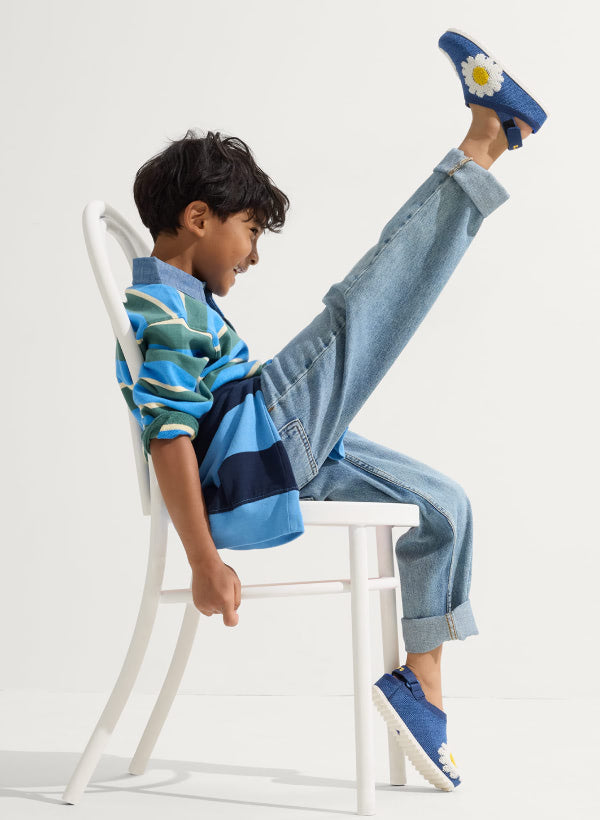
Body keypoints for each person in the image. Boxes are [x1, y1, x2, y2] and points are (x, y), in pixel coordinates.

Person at [116, 28, 547, 791]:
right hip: (265, 438)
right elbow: (168, 435)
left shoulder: (183, 302)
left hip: (268, 450)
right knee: (370, 299)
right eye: (250, 232)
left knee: (443, 506)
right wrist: (202, 560)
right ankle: (485, 140)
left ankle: (423, 692)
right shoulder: (163, 306)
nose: (253, 255)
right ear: (198, 218)